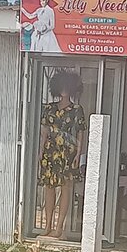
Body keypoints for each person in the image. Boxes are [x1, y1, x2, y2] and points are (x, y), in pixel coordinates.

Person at [38, 70, 86, 237]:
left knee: (66, 188)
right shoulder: (49, 109)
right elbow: (44, 132)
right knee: (49, 187)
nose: (64, 90)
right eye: (62, 86)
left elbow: (80, 132)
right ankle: (47, 226)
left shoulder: (76, 109)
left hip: (67, 152)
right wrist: (40, 151)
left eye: (68, 87)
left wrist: (79, 154)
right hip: (50, 152)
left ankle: (59, 227)